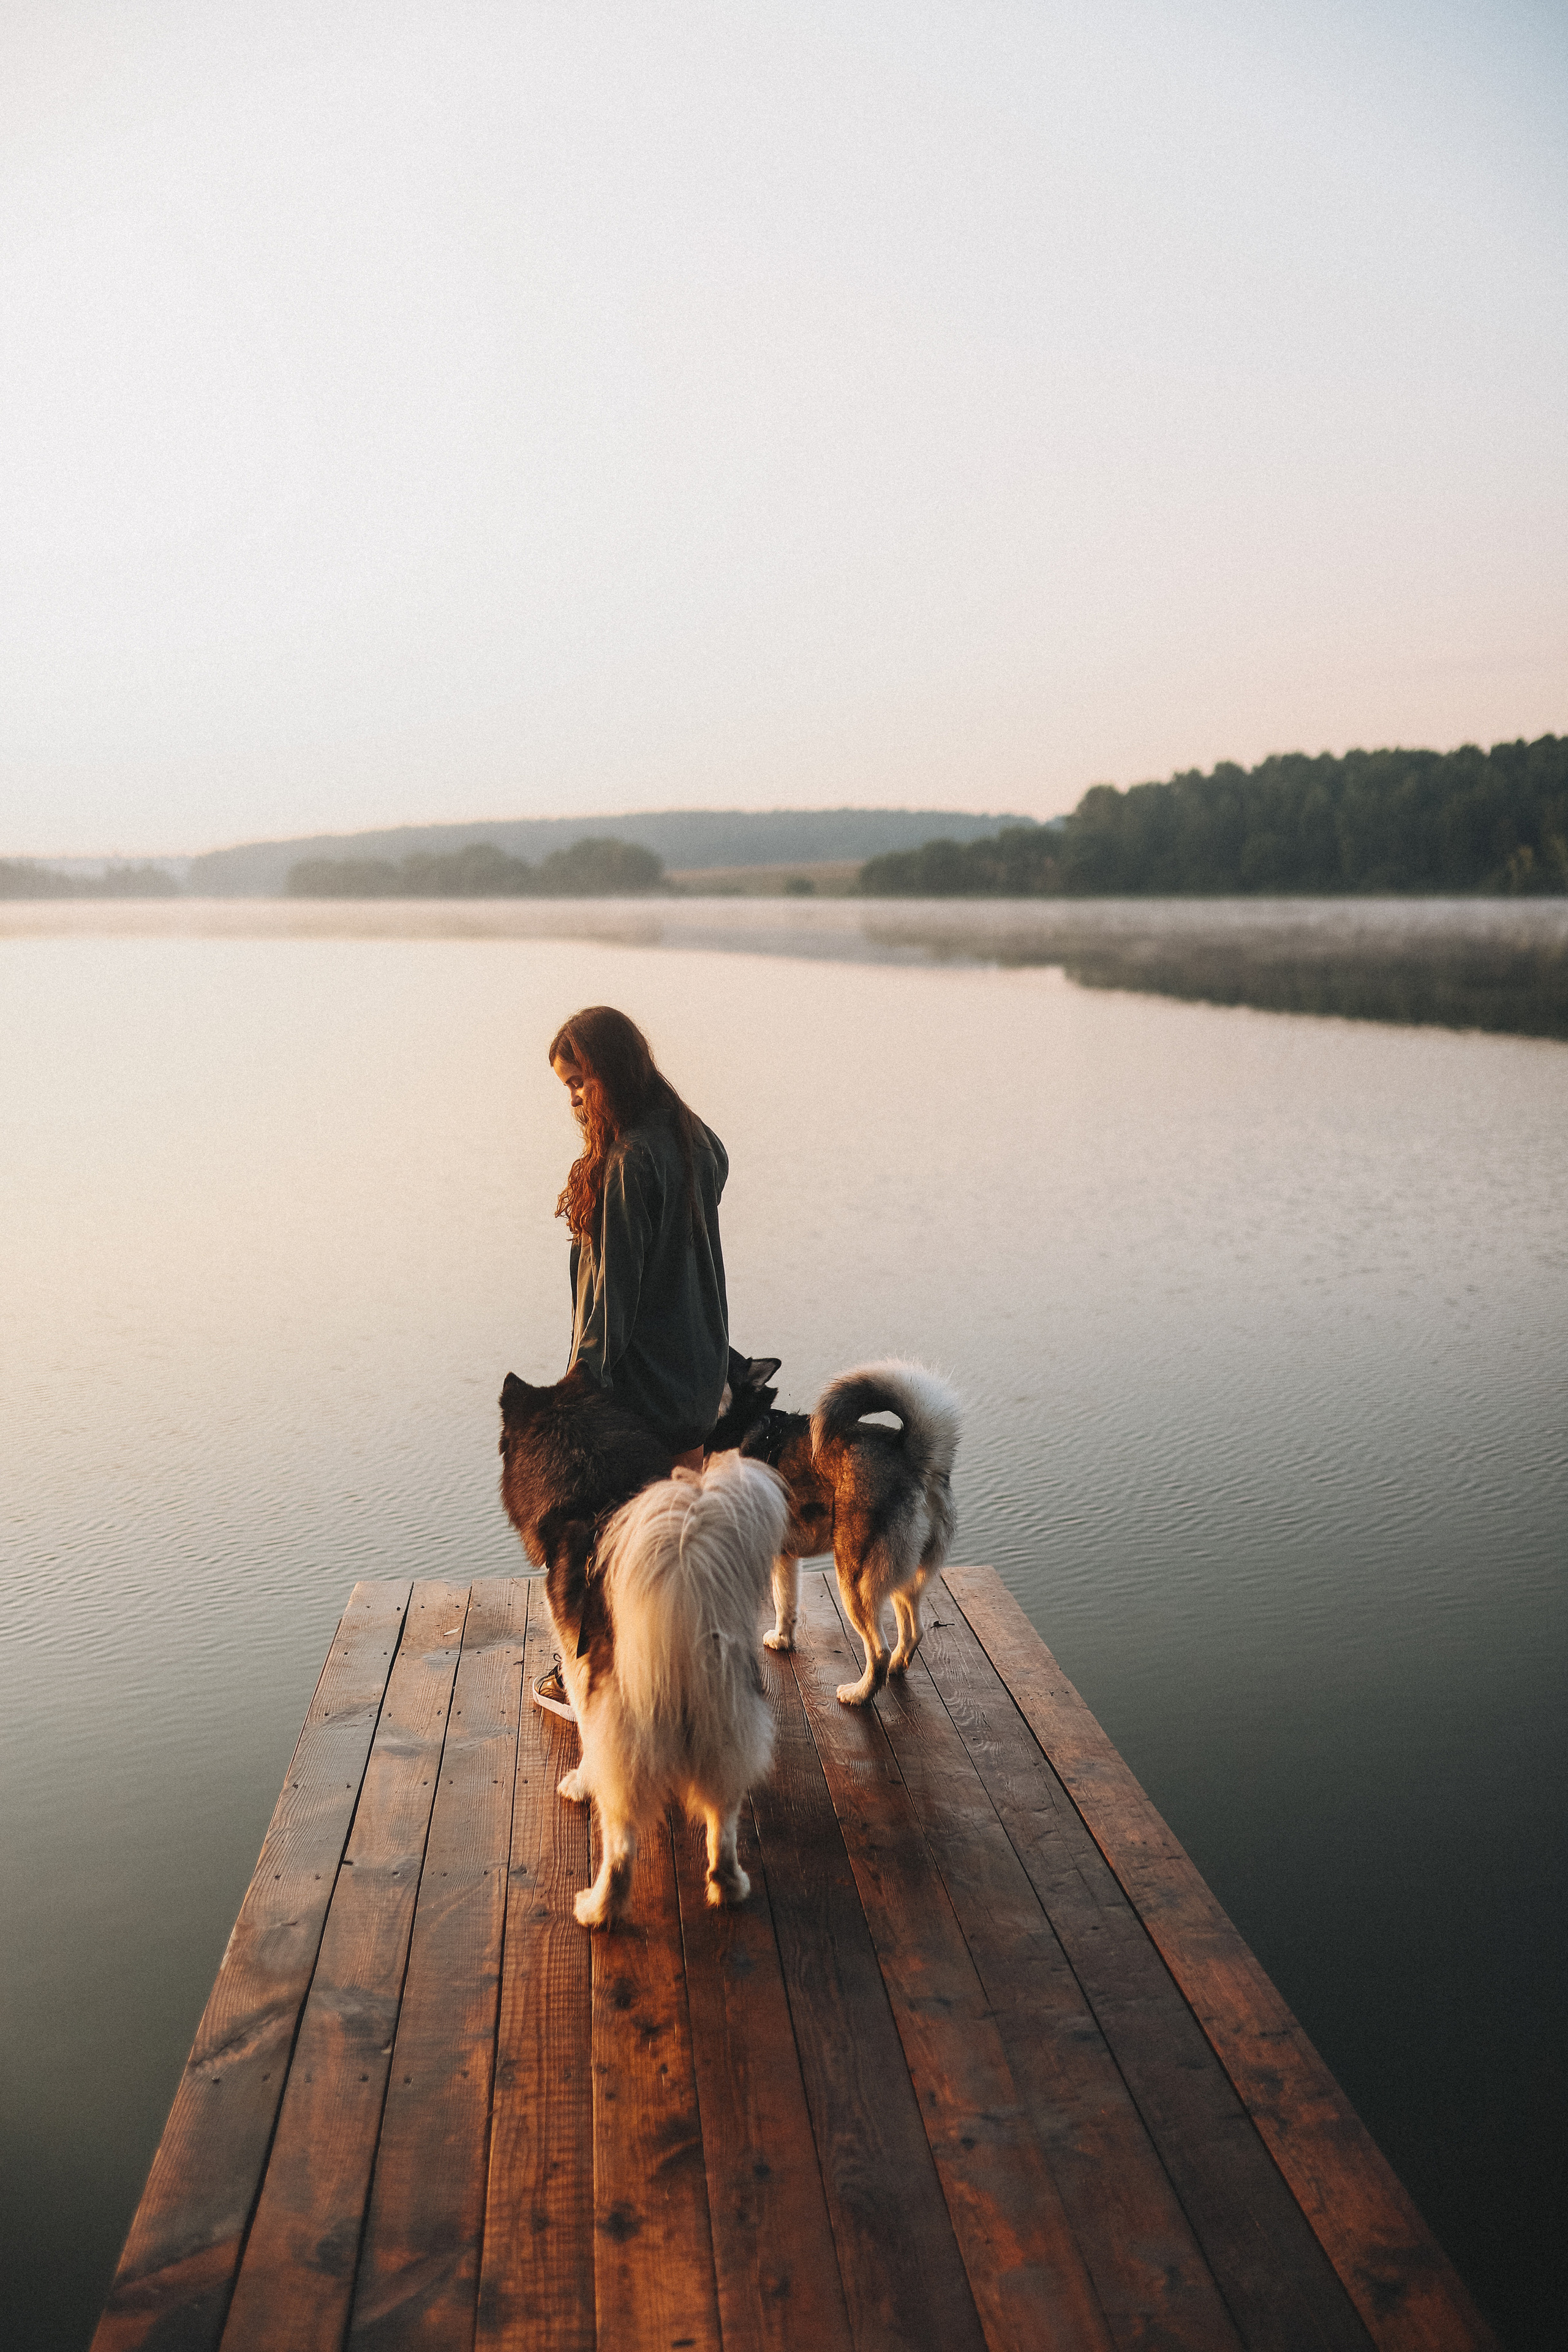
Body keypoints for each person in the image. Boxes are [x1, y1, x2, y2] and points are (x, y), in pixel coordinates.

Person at [532, 1005, 731, 1718]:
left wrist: (576, 1391)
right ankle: (690, 1681)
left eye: (580, 1082)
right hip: (698, 1377)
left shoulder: (624, 1163)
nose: (574, 1099)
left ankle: (601, 1684)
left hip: (641, 1391)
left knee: (615, 1547)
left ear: (612, 1074)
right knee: (680, 1548)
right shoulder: (692, 1138)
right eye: (566, 1088)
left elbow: (608, 1305)